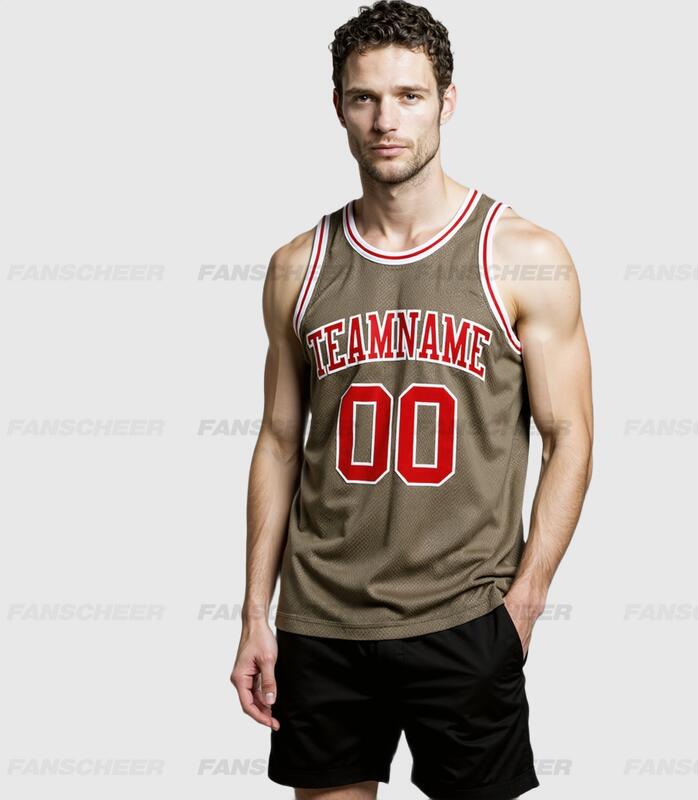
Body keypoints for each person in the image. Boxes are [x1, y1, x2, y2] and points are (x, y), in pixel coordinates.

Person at [230, 2, 593, 798]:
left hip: (463, 619)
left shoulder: (522, 255)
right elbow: (279, 442)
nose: (385, 120)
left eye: (409, 96)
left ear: (446, 101)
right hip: (320, 622)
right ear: (338, 107)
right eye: (364, 98)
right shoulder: (298, 265)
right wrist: (256, 610)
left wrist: (524, 604)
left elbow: (569, 435)